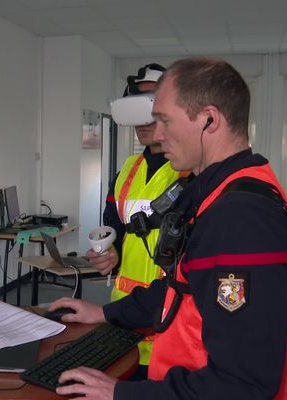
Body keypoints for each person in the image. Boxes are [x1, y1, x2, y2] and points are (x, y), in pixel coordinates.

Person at [50, 57, 287, 399]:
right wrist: (104, 311)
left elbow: (243, 383)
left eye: (164, 120)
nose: (156, 134)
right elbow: (182, 288)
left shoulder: (240, 217)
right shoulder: (216, 194)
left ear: (210, 119)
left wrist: (122, 394)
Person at [88, 63, 183, 371]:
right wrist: (107, 254)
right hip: (123, 322)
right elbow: (112, 229)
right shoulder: (126, 171)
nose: (141, 119)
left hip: (170, 328)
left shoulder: (190, 171)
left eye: (150, 106)